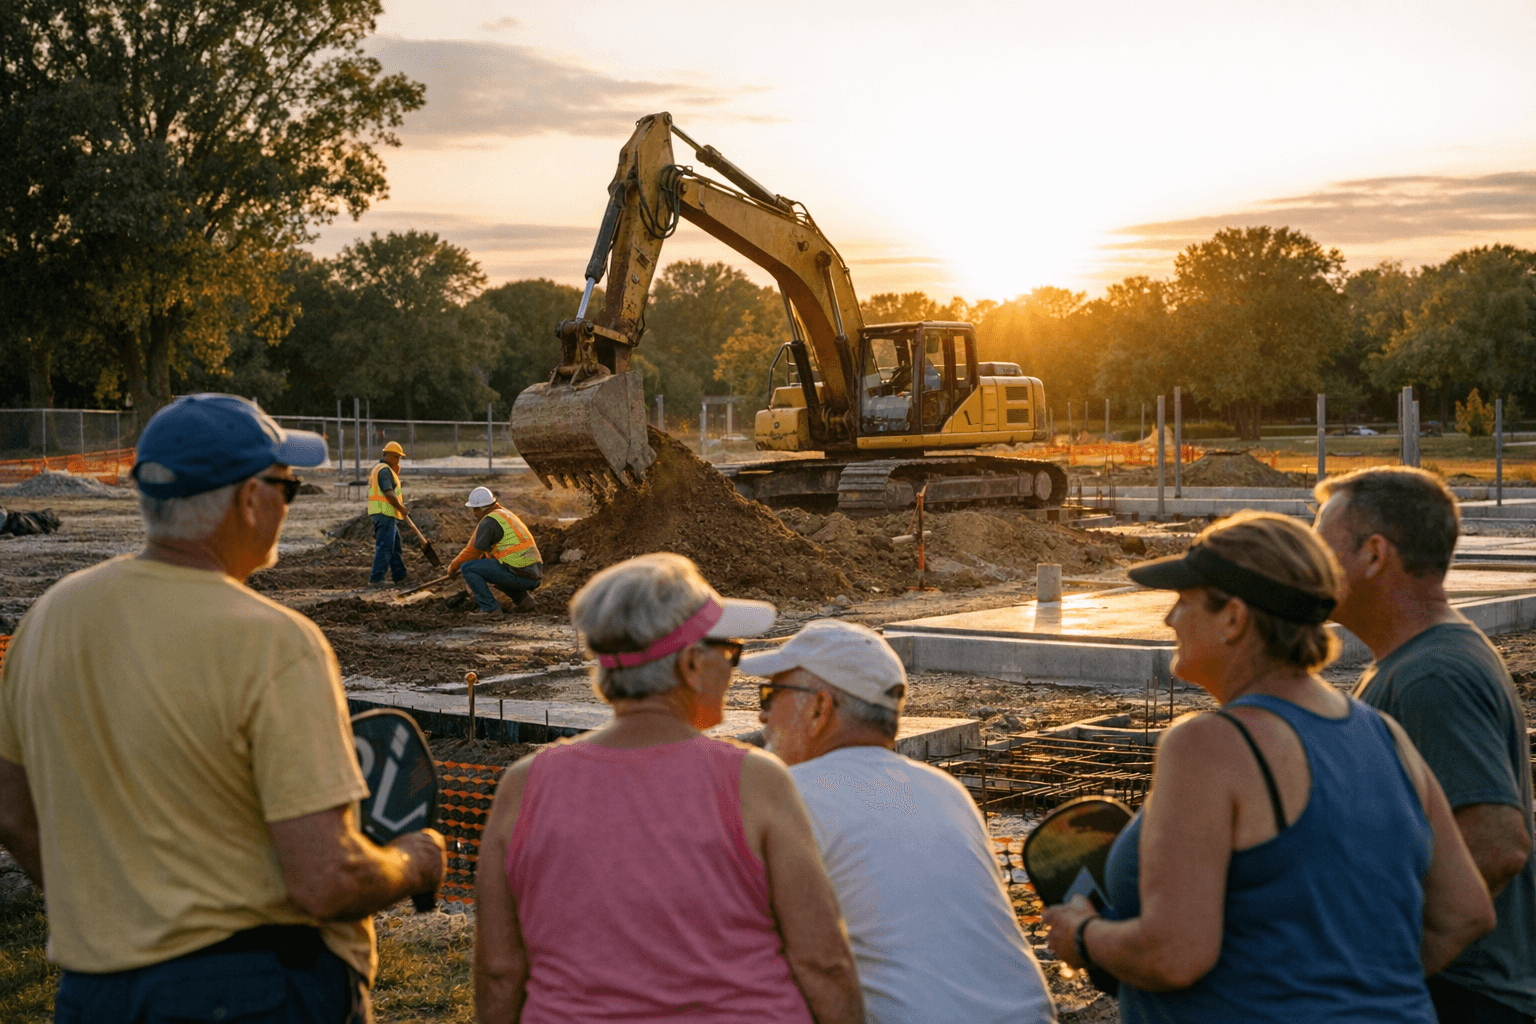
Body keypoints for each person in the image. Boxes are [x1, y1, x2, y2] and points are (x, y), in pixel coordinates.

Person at [0, 394, 446, 1024]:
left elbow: (12, 812)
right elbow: (326, 880)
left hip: (93, 990)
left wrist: (112, 913)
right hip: (252, 988)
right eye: (286, 486)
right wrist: (413, 860)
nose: (287, 503)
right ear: (247, 500)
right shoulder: (273, 641)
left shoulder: (49, 617)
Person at [1042, 511, 1494, 1023]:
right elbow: (1465, 912)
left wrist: (1082, 934)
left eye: (1184, 601)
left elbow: (1174, 953)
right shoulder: (1385, 735)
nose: (1170, 620)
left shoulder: (1209, 745)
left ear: (1234, 618)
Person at [474, 553, 862, 1024]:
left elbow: (499, 970)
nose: (734, 667)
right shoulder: (753, 782)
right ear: (692, 665)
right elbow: (823, 962)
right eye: (731, 651)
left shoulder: (524, 785)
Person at [747, 618, 1057, 1024]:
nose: (762, 716)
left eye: (771, 694)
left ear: (819, 708)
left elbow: (798, 961)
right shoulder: (946, 791)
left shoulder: (789, 794)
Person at [1316, 468, 1536, 1024]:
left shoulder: (1430, 676)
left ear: (1373, 555)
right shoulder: (1416, 660)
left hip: (1462, 996)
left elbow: (1496, 847)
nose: (1309, 564)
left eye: (1322, 545)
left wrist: (1382, 972)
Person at [446, 486, 542, 620]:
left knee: (467, 568)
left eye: (475, 509)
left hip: (520, 574)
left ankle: (490, 610)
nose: (474, 513)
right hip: (533, 573)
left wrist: (454, 566)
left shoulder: (489, 521)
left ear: (481, 508)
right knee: (493, 568)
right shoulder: (504, 514)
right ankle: (525, 601)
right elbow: (485, 554)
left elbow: (472, 551)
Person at [367, 440, 409, 588]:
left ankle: (400, 576)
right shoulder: (384, 470)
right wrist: (401, 507)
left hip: (386, 513)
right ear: (388, 455)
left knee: (395, 545)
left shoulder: (383, 469)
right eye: (396, 457)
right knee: (385, 545)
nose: (398, 461)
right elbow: (389, 493)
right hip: (384, 513)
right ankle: (377, 579)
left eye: (399, 458)